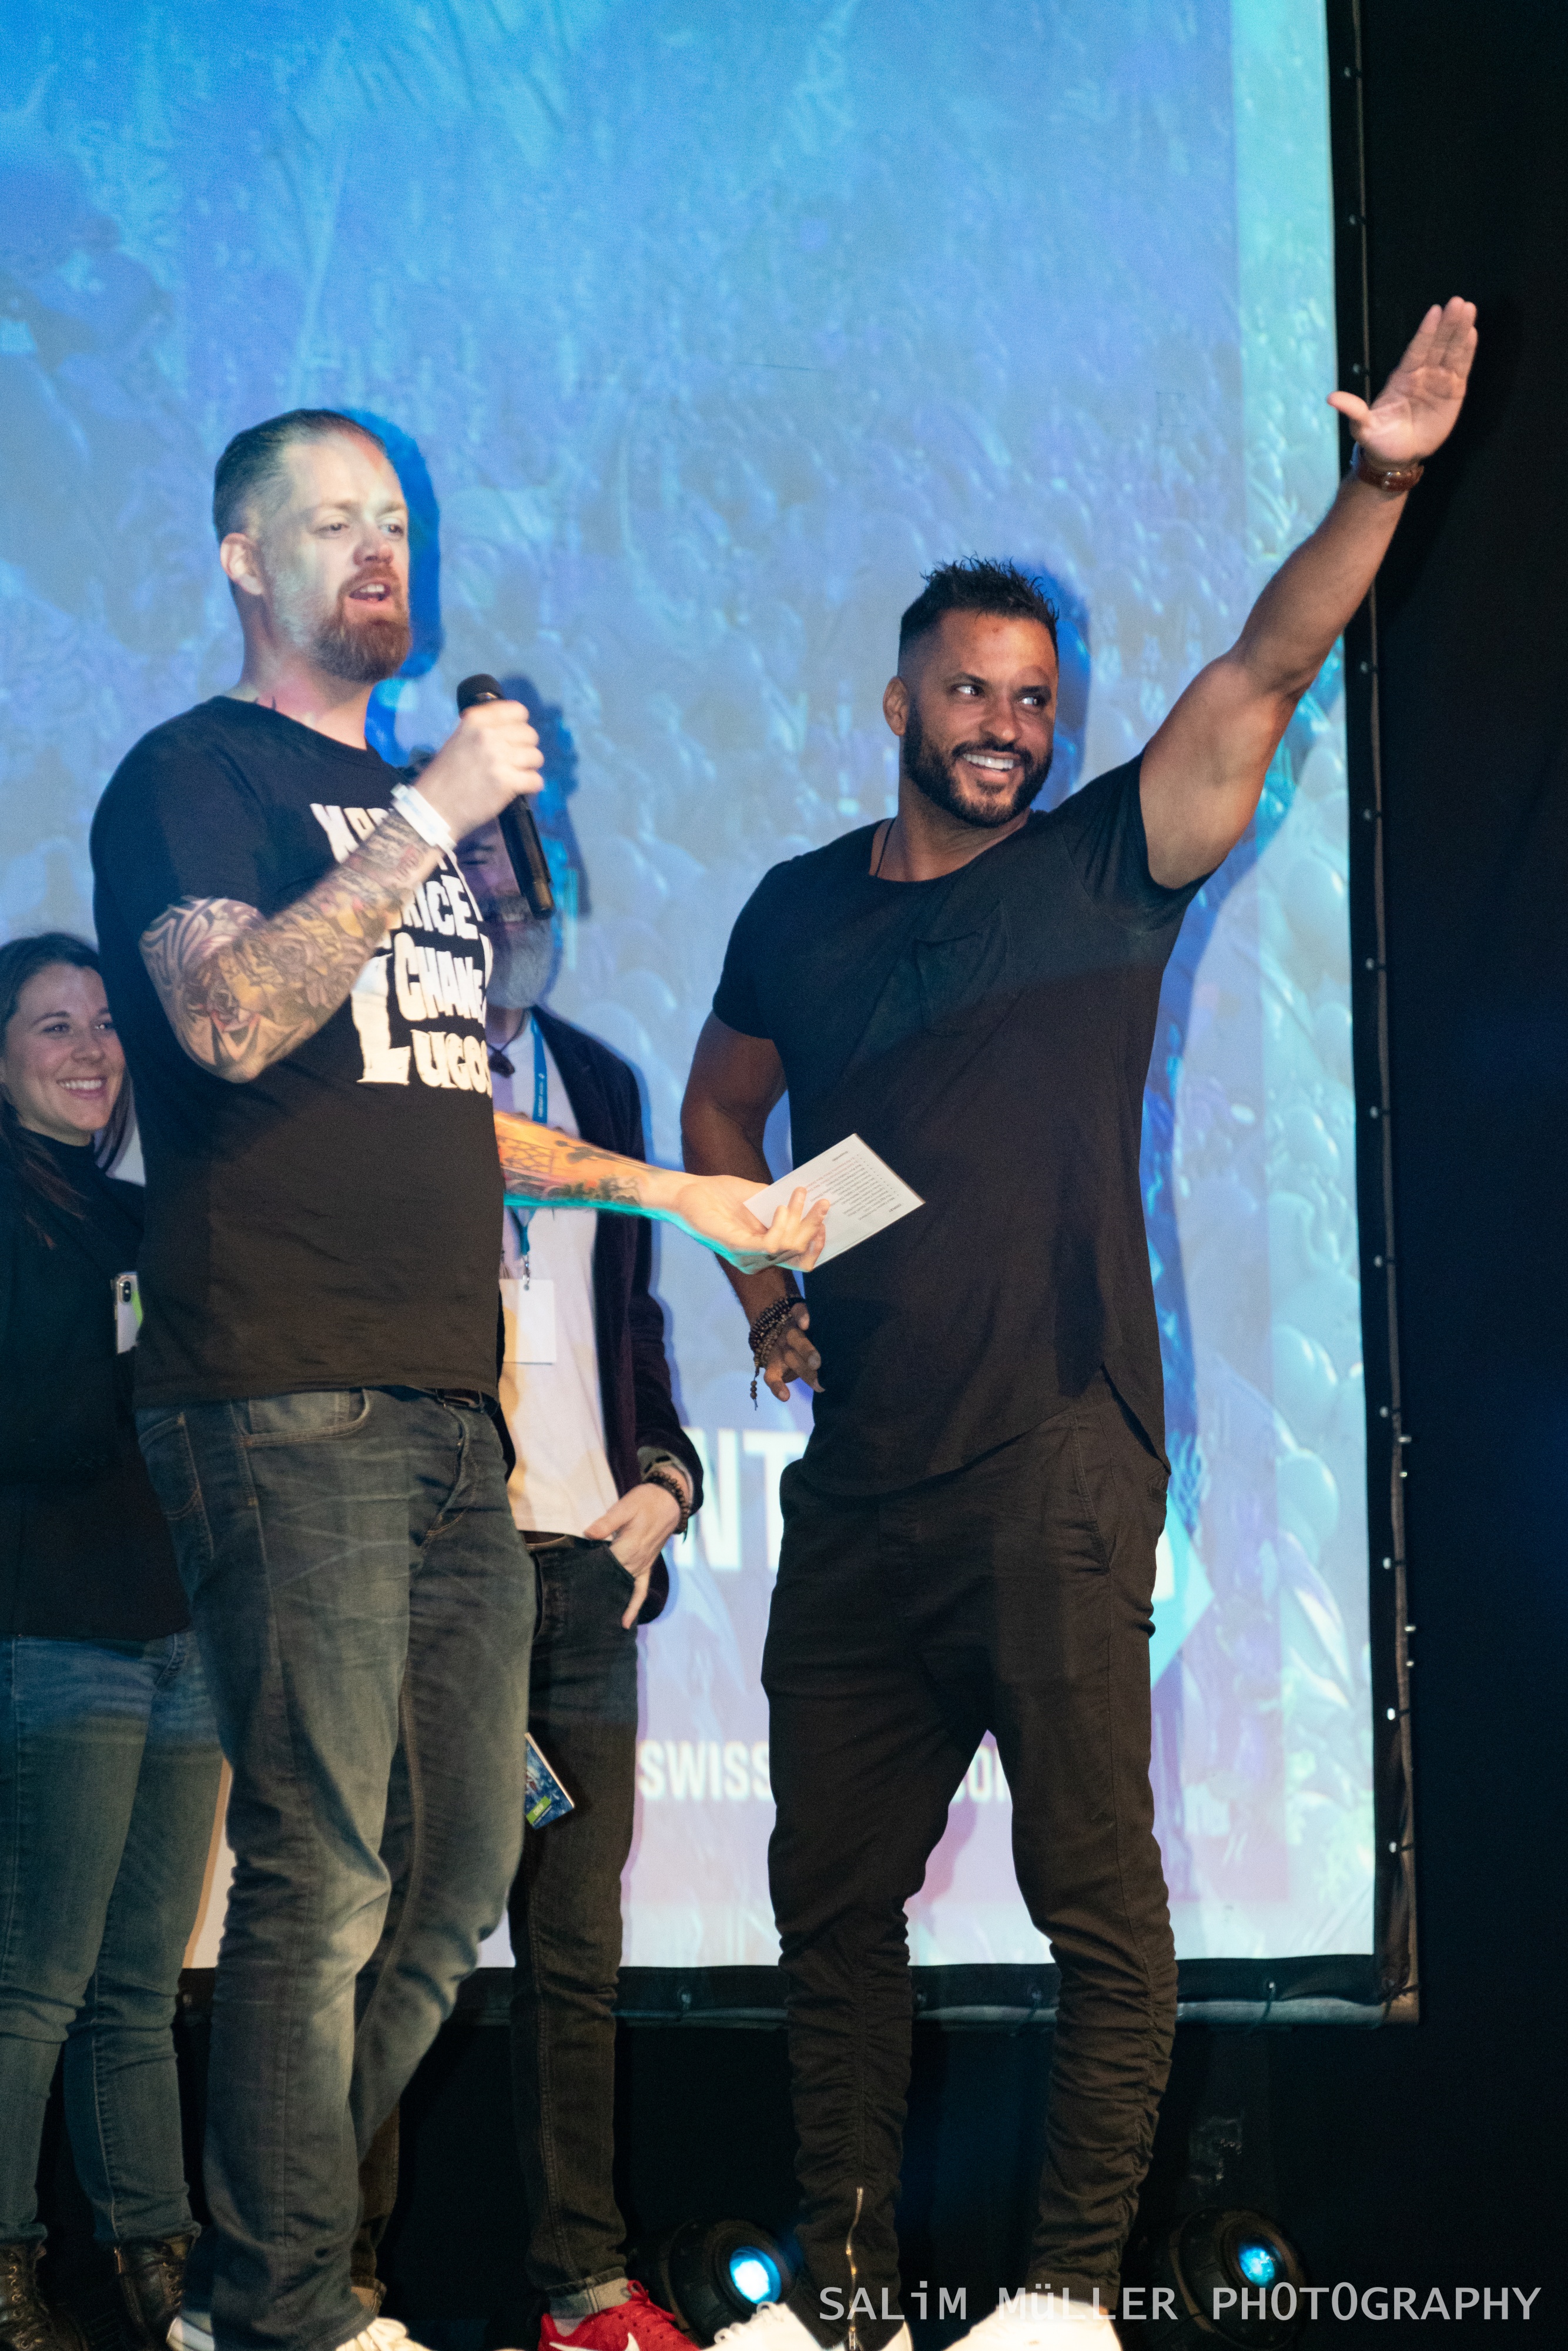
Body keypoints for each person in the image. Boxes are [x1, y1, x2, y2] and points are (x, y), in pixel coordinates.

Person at [680, 302, 1477, 2347]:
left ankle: (1059, 2303)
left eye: (1032, 699)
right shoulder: (794, 910)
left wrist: (1372, 485)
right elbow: (718, 1111)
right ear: (896, 702)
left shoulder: (1106, 868)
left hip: (1054, 1457)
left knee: (1093, 1903)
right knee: (823, 1906)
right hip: (860, 1491)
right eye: (968, 690)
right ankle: (844, 2297)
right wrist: (765, 1290)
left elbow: (1267, 662)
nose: (1003, 726)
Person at [87, 408, 823, 2351]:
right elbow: (230, 1017)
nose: (375, 551)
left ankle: (256, 2274)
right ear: (243, 559)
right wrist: (429, 814)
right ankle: (284, 2303)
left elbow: (435, 1112)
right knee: (321, 1868)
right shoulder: (195, 776)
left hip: (442, 1412)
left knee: (455, 1877)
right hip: (283, 1389)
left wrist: (669, 1190)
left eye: (396, 523)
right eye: (331, 522)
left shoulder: (404, 829)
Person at [354, 820, 705, 2351]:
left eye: (520, 879)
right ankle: (332, 2286)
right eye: (470, 884)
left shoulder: (598, 1080)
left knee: (575, 1960)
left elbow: (627, 1320)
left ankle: (585, 2290)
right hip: (431, 1568)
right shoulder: (374, 1078)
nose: (502, 906)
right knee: (385, 1938)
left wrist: (665, 1483)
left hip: (582, 1573)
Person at [0, 934, 221, 2351]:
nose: (91, 1048)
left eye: (103, 1022)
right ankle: (7, 2269)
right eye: (52, 1025)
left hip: (181, 1632)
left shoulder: (145, 1213)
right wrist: (138, 1351)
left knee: (140, 1985)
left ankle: (159, 2276)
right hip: (57, 1630)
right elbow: (43, 1420)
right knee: (35, 1983)